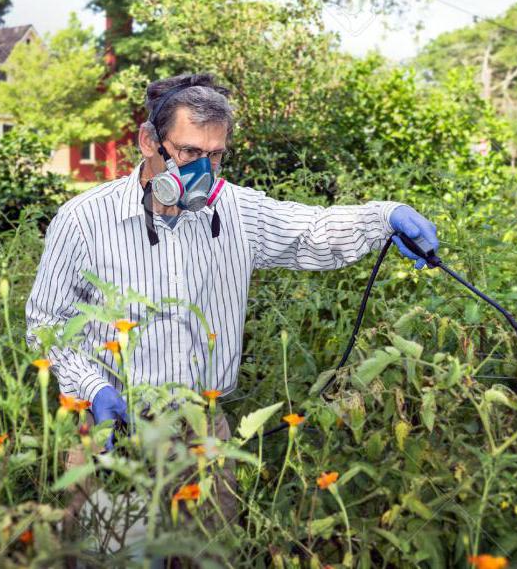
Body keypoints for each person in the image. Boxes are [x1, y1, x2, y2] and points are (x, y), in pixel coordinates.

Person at [25, 71, 438, 451]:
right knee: (107, 530)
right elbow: (46, 323)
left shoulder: (238, 211)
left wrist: (384, 217)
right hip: (112, 424)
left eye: (215, 155)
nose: (203, 170)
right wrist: (93, 388)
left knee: (213, 530)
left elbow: (314, 230)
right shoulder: (84, 219)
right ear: (149, 141)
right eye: (189, 152)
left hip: (201, 427)